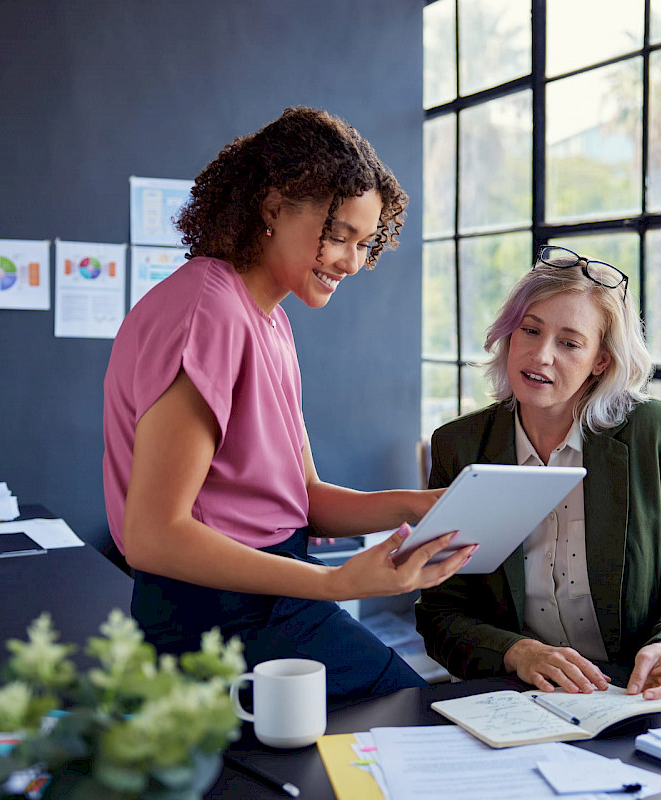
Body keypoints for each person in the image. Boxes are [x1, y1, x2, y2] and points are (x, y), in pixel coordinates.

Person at [103, 106, 475, 701]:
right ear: (273, 207)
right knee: (413, 726)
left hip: (273, 607)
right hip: (221, 623)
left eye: (365, 243)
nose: (352, 262)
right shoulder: (209, 312)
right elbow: (153, 534)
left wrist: (424, 505)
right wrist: (333, 583)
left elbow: (304, 500)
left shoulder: (267, 320)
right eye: (339, 235)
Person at [415, 245, 661, 700]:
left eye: (569, 343)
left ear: (601, 360)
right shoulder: (460, 446)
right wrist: (517, 652)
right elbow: (441, 609)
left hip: (629, 692)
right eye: (530, 330)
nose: (541, 356)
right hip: (514, 693)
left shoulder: (651, 433)